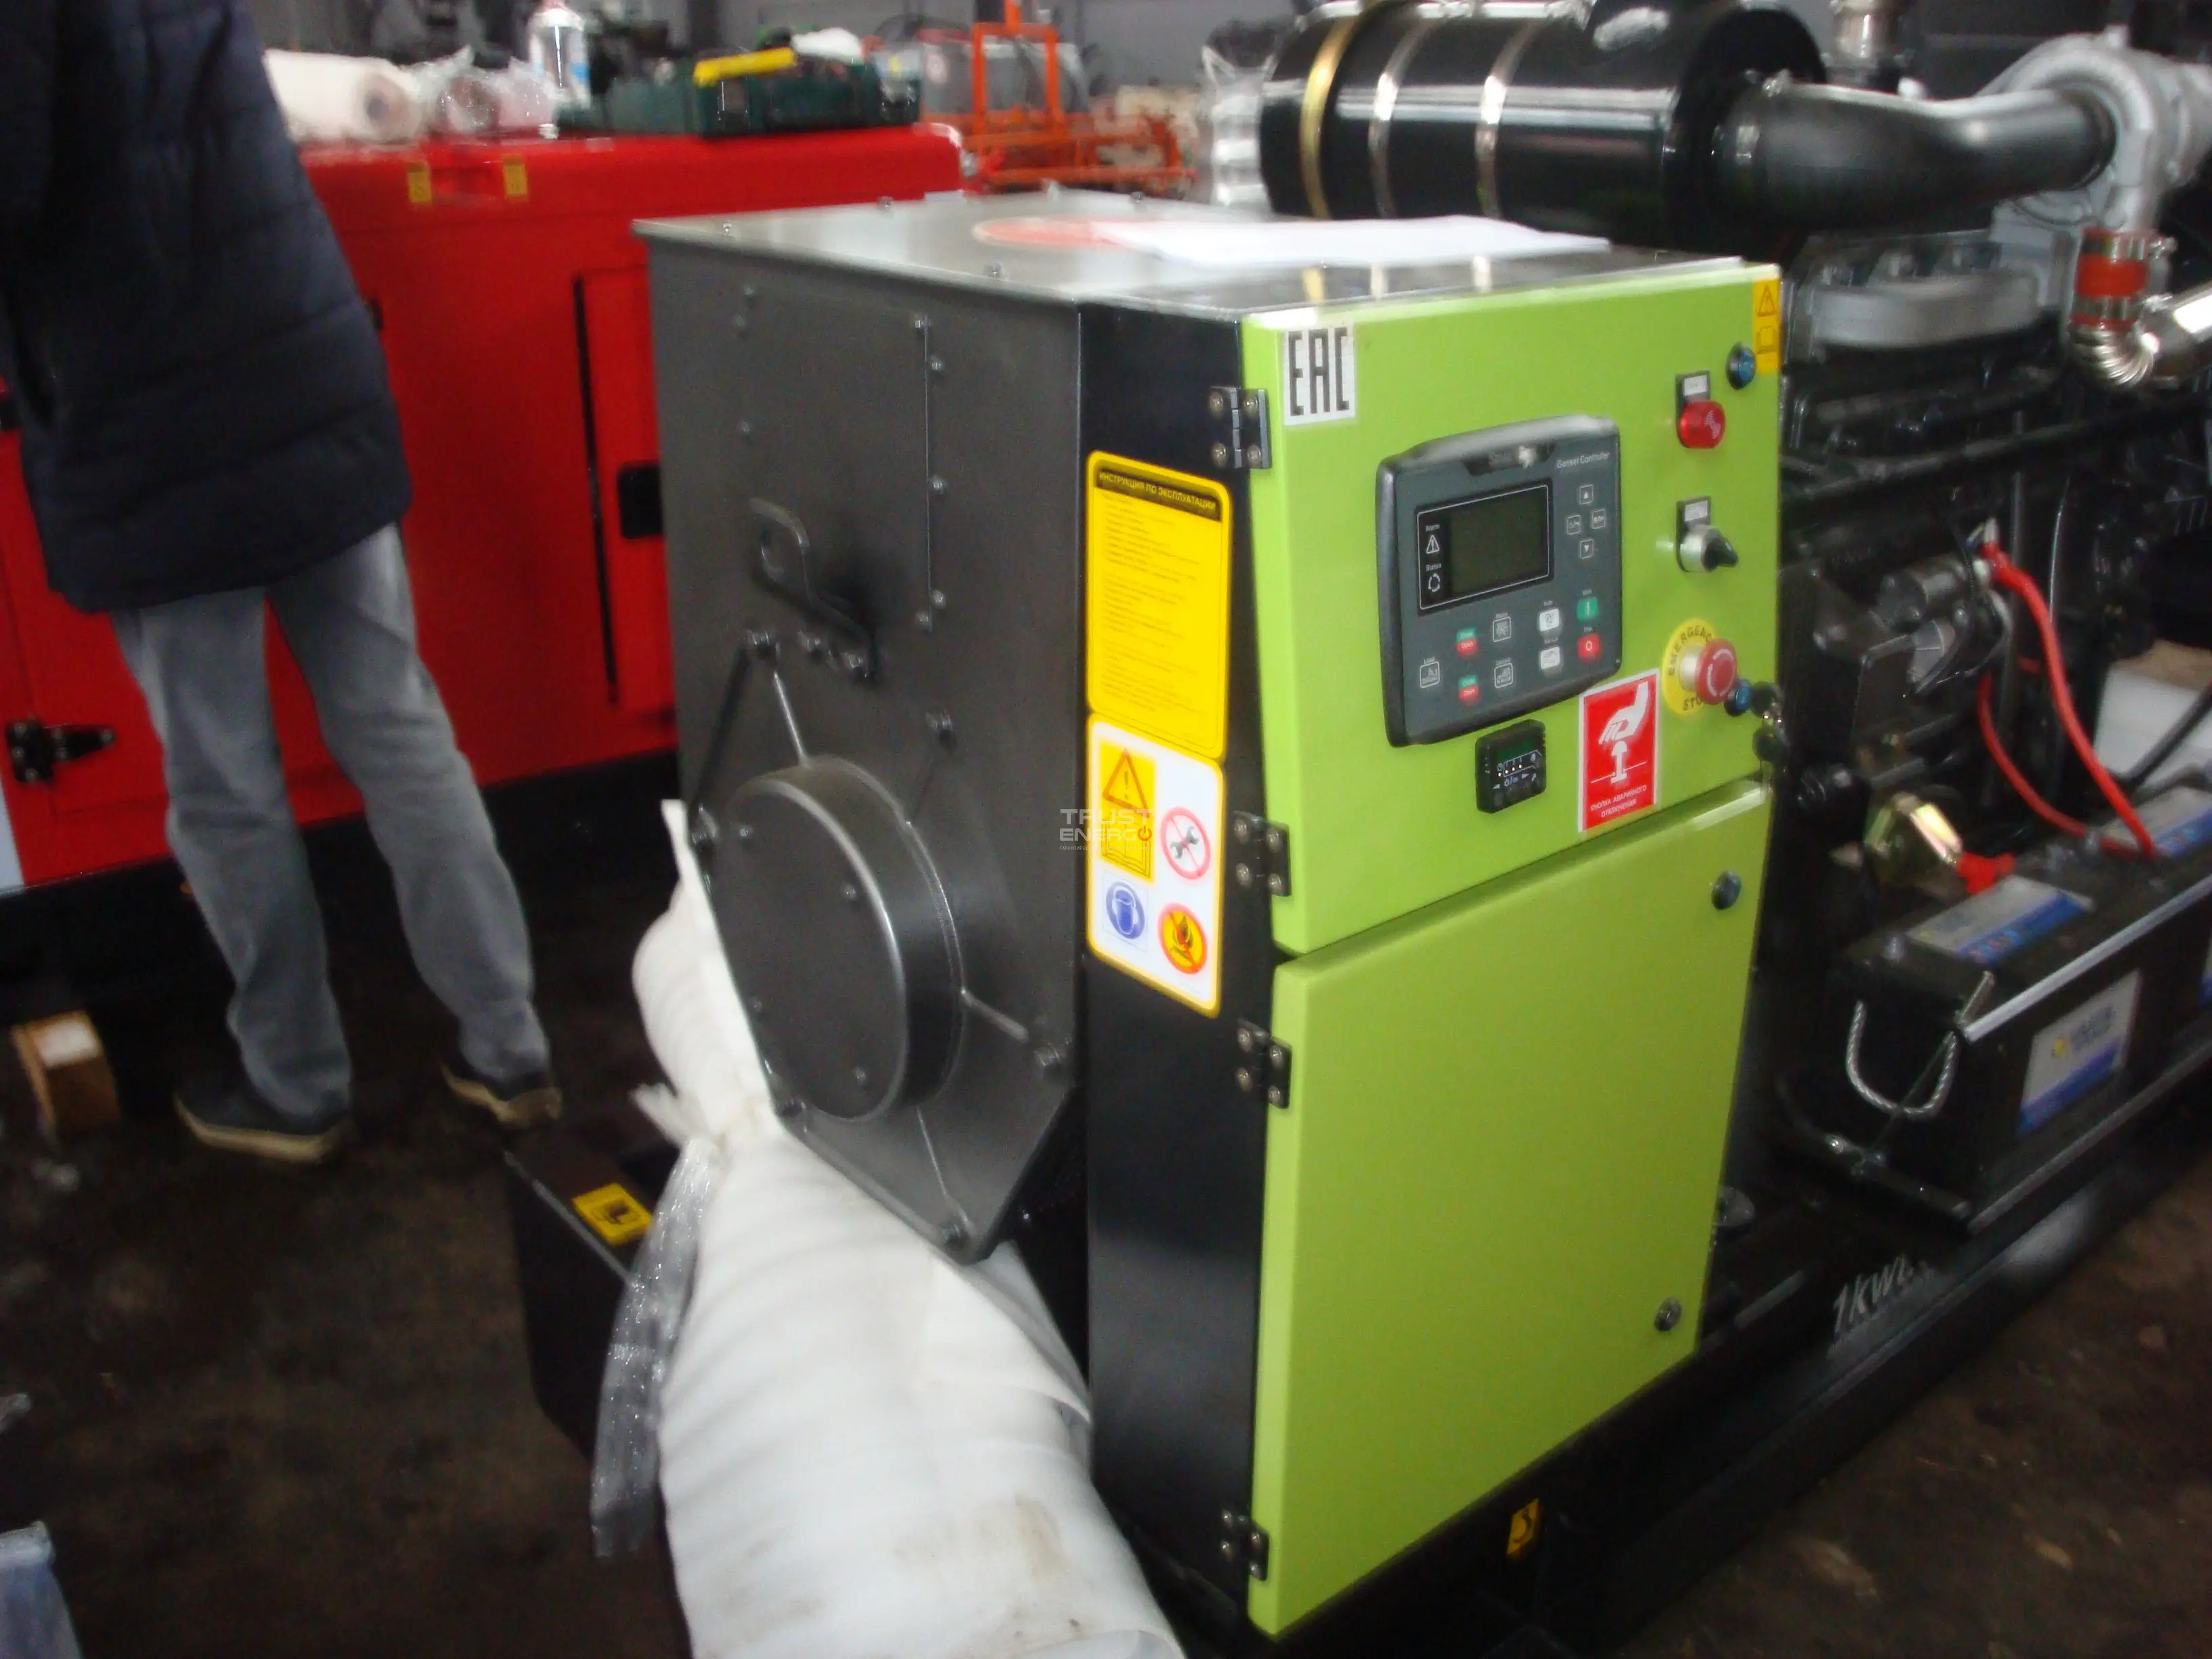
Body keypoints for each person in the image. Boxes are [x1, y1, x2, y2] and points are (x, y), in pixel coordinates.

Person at [0, 0, 560, 1163]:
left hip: (145, 416)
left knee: (224, 783)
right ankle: (511, 1052)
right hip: (302, 362)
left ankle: (296, 1084)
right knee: (399, 729)